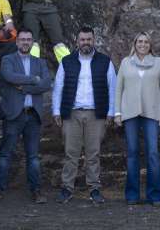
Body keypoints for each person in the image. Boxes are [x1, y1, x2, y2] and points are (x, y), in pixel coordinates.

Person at [52, 26, 117, 204]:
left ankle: (94, 188)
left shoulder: (105, 61)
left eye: (89, 39)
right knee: (70, 153)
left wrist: (111, 112)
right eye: (82, 39)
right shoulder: (66, 61)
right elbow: (58, 87)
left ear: (94, 40)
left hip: (96, 115)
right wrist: (56, 111)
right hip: (72, 114)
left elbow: (113, 88)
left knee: (93, 153)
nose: (86, 43)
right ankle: (67, 188)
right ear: (77, 41)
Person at [0, 29, 53, 204]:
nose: (25, 42)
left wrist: (22, 87)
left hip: (33, 115)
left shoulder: (40, 62)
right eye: (22, 40)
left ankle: (36, 191)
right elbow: (9, 77)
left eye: (28, 40)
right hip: (13, 115)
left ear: (32, 43)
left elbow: (46, 84)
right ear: (17, 42)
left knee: (33, 157)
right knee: (5, 155)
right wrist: (34, 80)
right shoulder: (7, 60)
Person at [114, 32, 160, 206]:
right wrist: (117, 113)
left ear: (150, 45)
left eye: (146, 42)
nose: (143, 44)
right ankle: (132, 195)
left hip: (151, 114)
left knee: (153, 153)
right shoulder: (125, 62)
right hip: (130, 114)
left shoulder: (158, 62)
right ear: (135, 43)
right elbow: (118, 89)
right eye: (140, 41)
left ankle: (155, 195)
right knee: (132, 154)